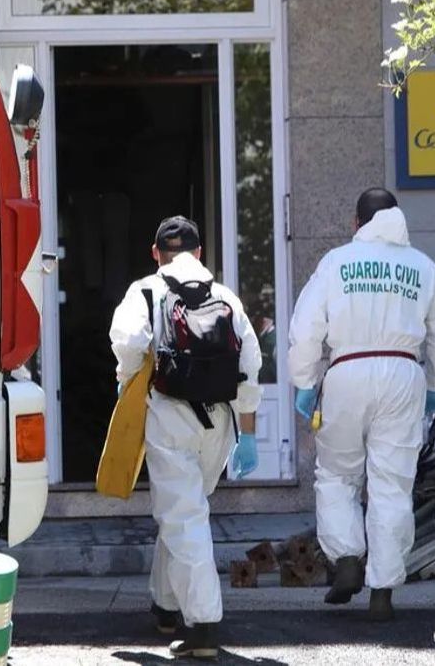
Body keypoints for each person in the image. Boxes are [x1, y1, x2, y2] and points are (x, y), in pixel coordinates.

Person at [289, 188, 435, 620]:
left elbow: (306, 327)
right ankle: (382, 590)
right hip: (404, 375)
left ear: (357, 223)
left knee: (337, 475)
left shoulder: (336, 263)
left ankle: (347, 559)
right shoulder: (423, 266)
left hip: (347, 370)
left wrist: (305, 382)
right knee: (392, 485)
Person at [109, 215, 262, 660]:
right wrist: (247, 431)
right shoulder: (224, 295)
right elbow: (250, 364)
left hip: (170, 417)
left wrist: (127, 382)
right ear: (199, 253)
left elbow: (129, 340)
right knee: (184, 513)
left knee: (184, 518)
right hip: (219, 424)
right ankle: (166, 603)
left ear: (156, 254)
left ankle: (203, 625)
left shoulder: (146, 290)